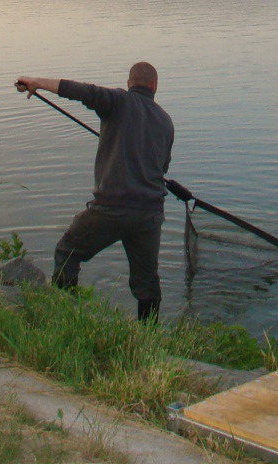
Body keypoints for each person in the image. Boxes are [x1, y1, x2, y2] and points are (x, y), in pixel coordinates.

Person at [15, 63, 174, 321]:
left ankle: (62, 317)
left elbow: (81, 91)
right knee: (147, 282)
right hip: (150, 215)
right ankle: (150, 340)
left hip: (112, 209)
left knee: (67, 252)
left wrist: (37, 82)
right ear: (155, 86)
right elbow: (162, 167)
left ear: (128, 83)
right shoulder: (166, 121)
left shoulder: (117, 101)